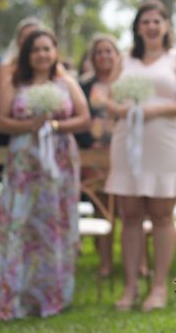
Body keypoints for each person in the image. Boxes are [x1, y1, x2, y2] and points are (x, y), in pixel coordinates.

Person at [0, 29, 90, 319]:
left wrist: (55, 126)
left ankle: (50, 295)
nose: (42, 54)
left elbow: (84, 118)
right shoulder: (14, 81)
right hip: (24, 163)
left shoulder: (65, 81)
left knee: (52, 225)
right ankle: (14, 293)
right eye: (36, 50)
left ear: (55, 51)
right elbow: (3, 121)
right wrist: (31, 125)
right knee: (22, 224)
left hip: (59, 164)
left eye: (47, 49)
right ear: (27, 54)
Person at [105, 0, 176, 312]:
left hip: (165, 140)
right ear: (138, 27)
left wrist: (156, 109)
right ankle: (130, 286)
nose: (152, 26)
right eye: (146, 21)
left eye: (157, 20)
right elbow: (108, 96)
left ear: (166, 25)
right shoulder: (124, 58)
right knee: (129, 214)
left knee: (160, 214)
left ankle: (158, 287)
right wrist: (121, 109)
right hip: (127, 138)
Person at [74, 34, 121, 277]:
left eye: (108, 51)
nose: (104, 56)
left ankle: (139, 262)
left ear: (117, 54)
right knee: (101, 206)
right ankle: (105, 263)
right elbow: (78, 117)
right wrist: (89, 142)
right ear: (93, 57)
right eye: (99, 52)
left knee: (127, 207)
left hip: (122, 153)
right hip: (93, 154)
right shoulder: (83, 84)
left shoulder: (125, 82)